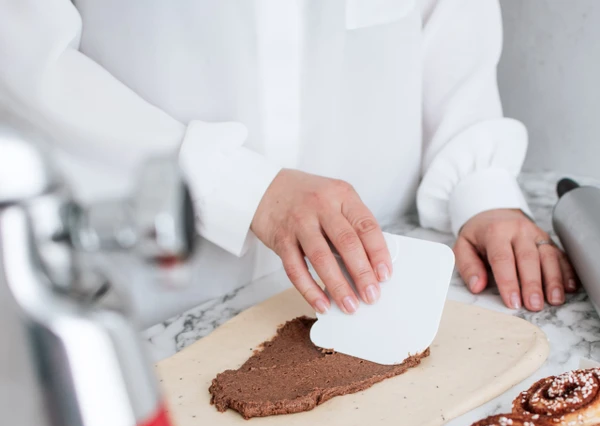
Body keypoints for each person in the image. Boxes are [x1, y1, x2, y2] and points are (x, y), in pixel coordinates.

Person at [0, 0, 576, 317]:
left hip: (384, 282)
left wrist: (478, 186)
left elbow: (449, 15)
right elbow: (25, 57)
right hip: (155, 293)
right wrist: (234, 185)